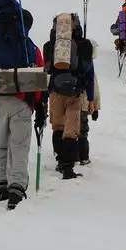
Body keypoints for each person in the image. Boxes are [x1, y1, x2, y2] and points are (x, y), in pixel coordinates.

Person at [0, 0, 47, 210]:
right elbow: (39, 80)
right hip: (22, 101)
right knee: (20, 146)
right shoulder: (29, 47)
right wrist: (40, 107)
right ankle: (17, 188)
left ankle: (3, 185)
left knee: (2, 145)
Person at [43, 13, 96, 179]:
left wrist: (45, 97)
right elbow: (89, 73)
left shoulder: (49, 45)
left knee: (58, 127)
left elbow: (47, 70)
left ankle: (60, 160)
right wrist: (91, 97)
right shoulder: (84, 45)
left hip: (55, 92)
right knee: (71, 130)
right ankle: (68, 168)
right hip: (75, 92)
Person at [78, 39, 101, 166]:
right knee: (83, 130)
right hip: (85, 104)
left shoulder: (76, 63)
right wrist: (95, 106)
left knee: (71, 128)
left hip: (74, 100)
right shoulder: (88, 65)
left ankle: (73, 154)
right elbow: (94, 89)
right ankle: (83, 156)